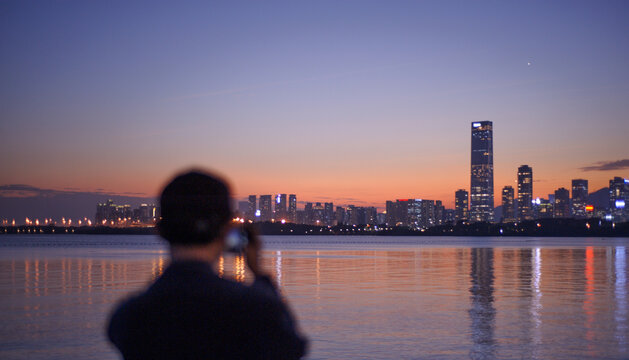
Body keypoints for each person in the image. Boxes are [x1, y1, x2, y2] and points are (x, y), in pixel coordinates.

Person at [107, 170, 308, 359]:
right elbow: (292, 347)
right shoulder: (254, 308)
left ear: (159, 230)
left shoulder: (129, 317)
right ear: (227, 230)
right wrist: (259, 274)